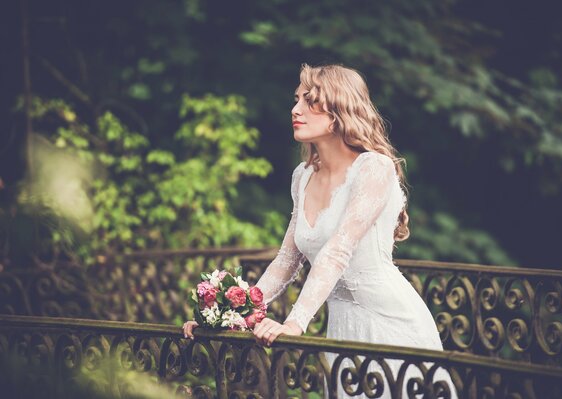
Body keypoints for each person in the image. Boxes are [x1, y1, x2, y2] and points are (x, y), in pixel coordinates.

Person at [183, 63, 457, 398]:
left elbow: (337, 251)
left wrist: (295, 323)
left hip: (389, 323)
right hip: (341, 329)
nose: (295, 109)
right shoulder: (303, 176)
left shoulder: (374, 168)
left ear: (340, 110)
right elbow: (286, 260)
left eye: (310, 101)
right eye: (297, 99)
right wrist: (229, 314)